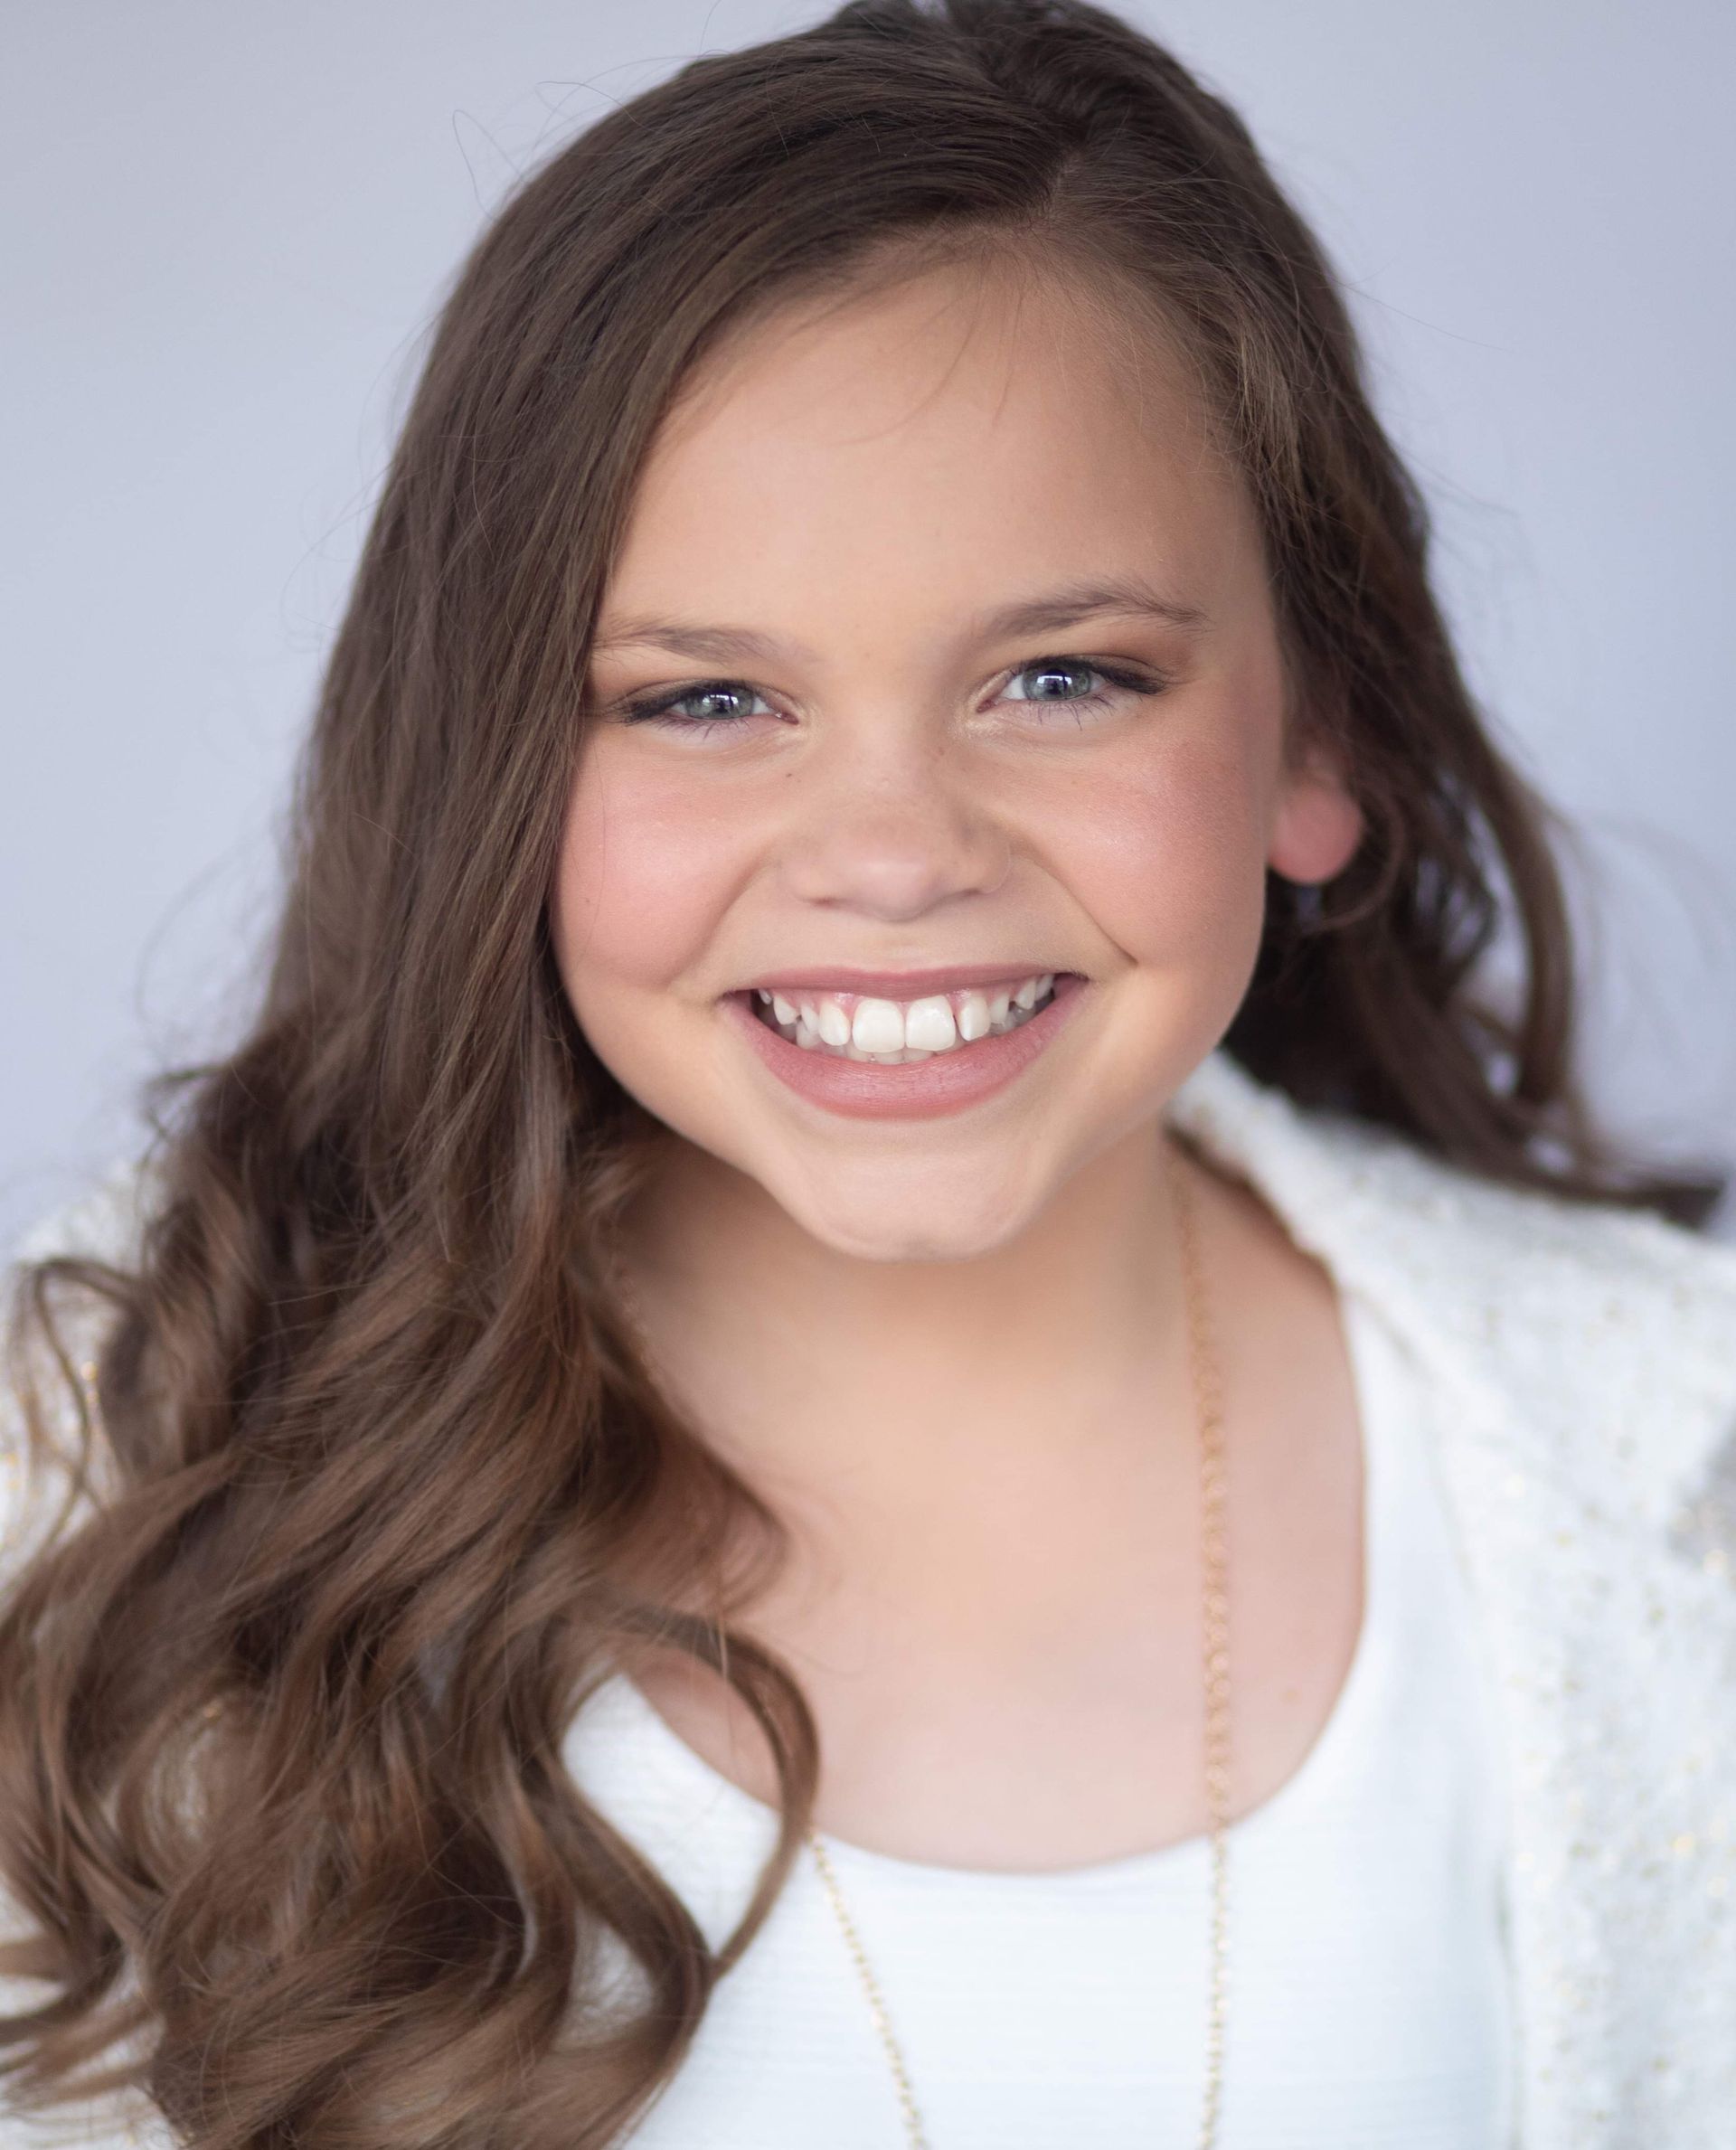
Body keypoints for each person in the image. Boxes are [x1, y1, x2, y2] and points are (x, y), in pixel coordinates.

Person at [3, 2, 1734, 2145]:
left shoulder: (1670, 1477)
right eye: (710, 701)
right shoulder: (96, 1483)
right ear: (491, 776)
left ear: (1319, 731)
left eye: (1064, 675)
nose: (899, 858)